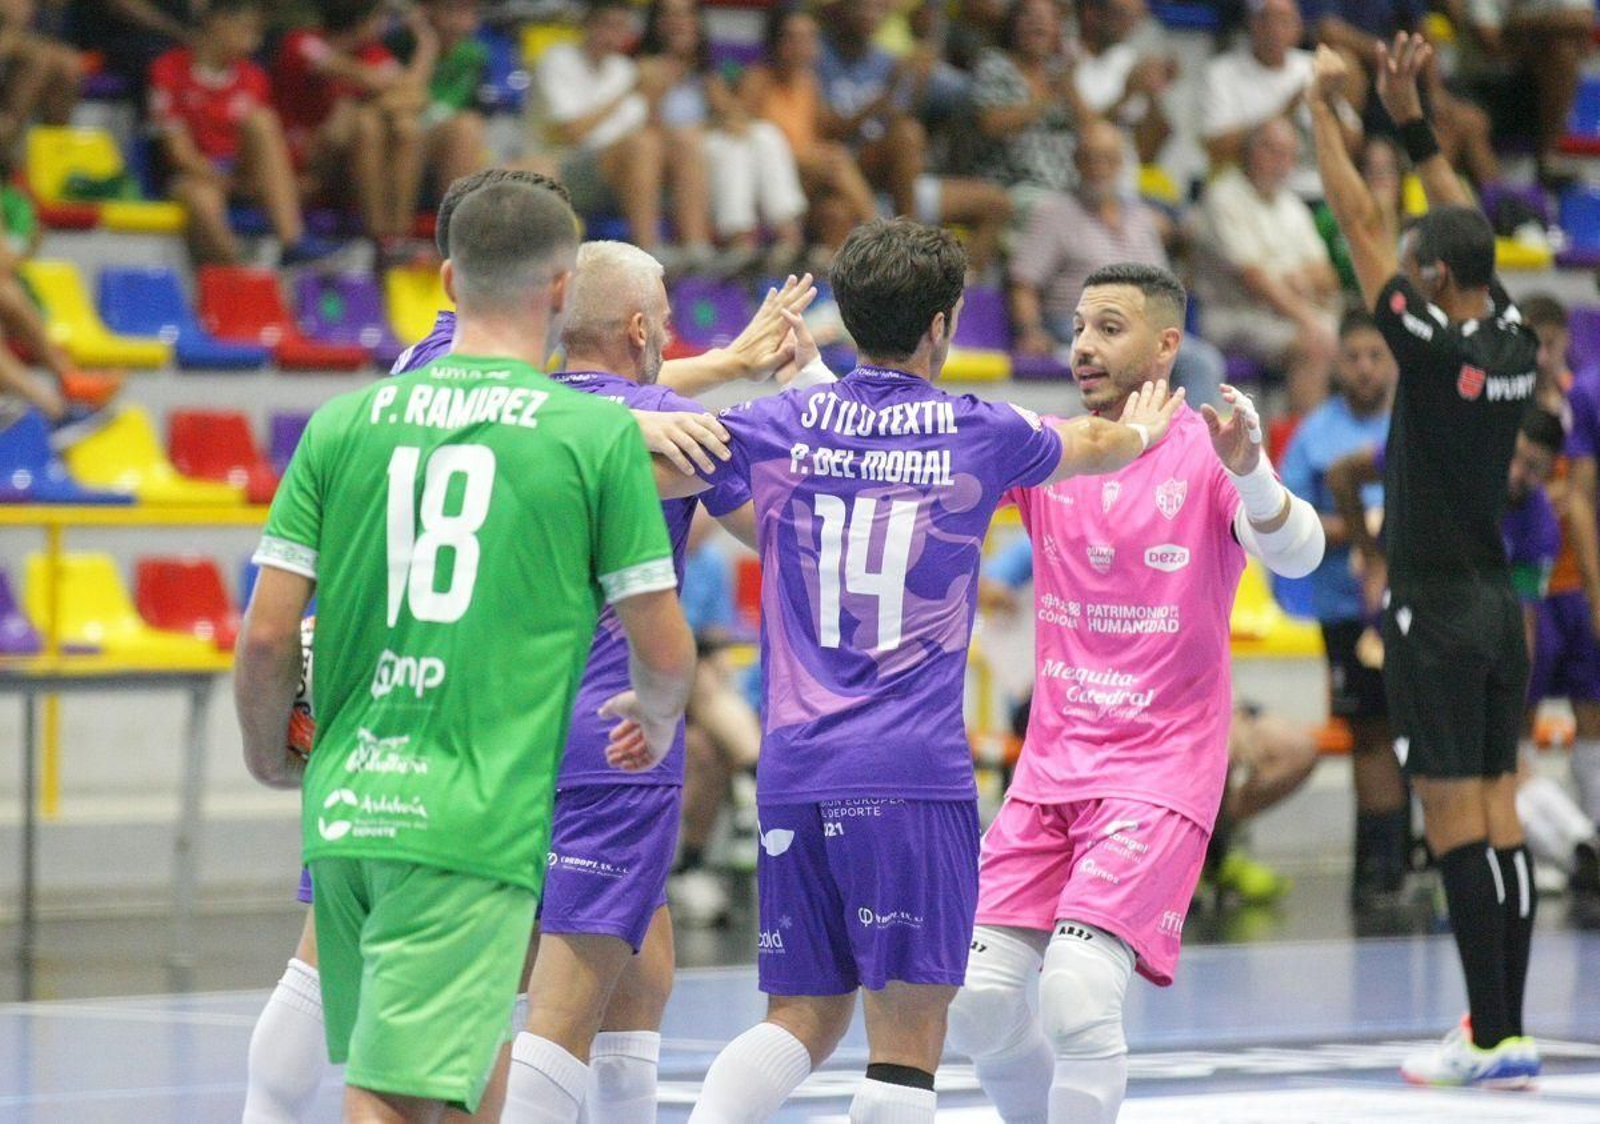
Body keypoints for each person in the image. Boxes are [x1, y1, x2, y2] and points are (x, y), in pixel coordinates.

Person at [670, 219, 1186, 1123]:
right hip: (909, 778)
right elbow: (1095, 446)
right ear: (943, 327)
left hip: (792, 771)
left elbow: (659, 443)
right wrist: (1142, 435)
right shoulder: (978, 428)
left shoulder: (776, 423)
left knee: (799, 1017)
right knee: (906, 1051)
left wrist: (742, 372)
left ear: (848, 316)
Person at [235, 178, 697, 1120]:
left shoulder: (347, 419)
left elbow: (269, 633)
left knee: (431, 1057)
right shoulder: (587, 437)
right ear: (563, 293)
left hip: (353, 783)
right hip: (469, 805)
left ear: (447, 277)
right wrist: (653, 718)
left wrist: (265, 753)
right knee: (398, 1094)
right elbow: (668, 648)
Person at [945, 262, 1325, 1124]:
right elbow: (928, 457)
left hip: (1157, 775)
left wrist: (1257, 475)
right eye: (1078, 325)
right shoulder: (1054, 447)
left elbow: (1300, 554)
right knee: (975, 999)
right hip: (1049, 774)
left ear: (1165, 345)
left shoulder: (1209, 449)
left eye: (1109, 327)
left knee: (1078, 994)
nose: (1084, 345)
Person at [1310, 34, 1542, 1086]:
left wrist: (1327, 111)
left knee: (1455, 818)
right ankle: (1506, 1026)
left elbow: (1360, 224)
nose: (1399, 266)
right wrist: (1406, 115)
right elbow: (1465, 227)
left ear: (1429, 278)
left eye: (1416, 264)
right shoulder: (1510, 338)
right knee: (1498, 810)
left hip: (1435, 611)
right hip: (1498, 604)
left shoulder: (1434, 346)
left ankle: (1490, 1038)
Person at [497, 241, 754, 1122]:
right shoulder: (673, 430)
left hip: (505, 731)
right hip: (618, 738)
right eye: (668, 320)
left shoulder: (508, 412)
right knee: (560, 1014)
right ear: (640, 328)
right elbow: (777, 525)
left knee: (643, 976)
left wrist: (726, 365)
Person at [1280, 309, 1403, 908]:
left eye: (1375, 355)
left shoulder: (1414, 426)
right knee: (1372, 733)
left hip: (1418, 602)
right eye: (1353, 355)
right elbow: (1282, 521)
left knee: (1419, 734)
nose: (1364, 367)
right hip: (1346, 609)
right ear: (1337, 363)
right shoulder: (1315, 434)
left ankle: (1416, 860)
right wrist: (1359, 530)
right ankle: (1378, 876)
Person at [1009, 116, 1225, 408]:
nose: (1099, 168)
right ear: (1076, 163)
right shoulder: (1053, 214)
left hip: (1141, 326)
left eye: (1108, 159)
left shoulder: (1142, 217)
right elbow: (1024, 283)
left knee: (1201, 359)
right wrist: (1031, 331)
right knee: (1172, 358)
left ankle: (1183, 445)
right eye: (1090, 159)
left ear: (1121, 163)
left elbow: (1161, 286)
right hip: (1079, 324)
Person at [815, 0, 1012, 274]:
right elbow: (828, 130)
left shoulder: (888, 60)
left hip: (896, 182)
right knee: (838, 211)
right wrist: (887, 93)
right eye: (862, 6)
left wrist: (917, 84)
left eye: (876, 7)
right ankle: (911, 245)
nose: (870, 14)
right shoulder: (818, 55)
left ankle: (957, 285)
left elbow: (905, 119)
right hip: (847, 173)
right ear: (842, 9)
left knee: (997, 203)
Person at [149, 0, 342, 266]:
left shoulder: (254, 77)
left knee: (262, 122)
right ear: (218, 23)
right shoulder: (169, 69)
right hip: (197, 173)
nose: (256, 42)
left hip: (242, 171)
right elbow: (178, 153)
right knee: (201, 199)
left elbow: (268, 151)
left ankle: (292, 241)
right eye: (248, 30)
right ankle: (240, 278)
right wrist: (224, 182)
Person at [532, 0, 711, 261]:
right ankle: (650, 253)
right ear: (587, 24)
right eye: (607, 25)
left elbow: (650, 130)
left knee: (684, 140)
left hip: (620, 171)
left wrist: (656, 93)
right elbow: (573, 133)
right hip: (564, 166)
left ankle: (698, 250)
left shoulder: (624, 68)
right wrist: (629, 89)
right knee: (642, 145)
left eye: (621, 28)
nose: (612, 36)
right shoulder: (559, 60)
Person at [638, 0, 806, 273]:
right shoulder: (645, 69)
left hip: (704, 150)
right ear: (656, 24)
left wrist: (723, 107)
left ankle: (790, 240)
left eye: (687, 16)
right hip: (671, 161)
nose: (680, 23)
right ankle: (739, 243)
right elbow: (642, 131)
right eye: (671, 16)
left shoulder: (705, 74)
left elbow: (737, 117)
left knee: (764, 133)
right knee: (729, 149)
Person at [1193, 115, 1342, 415]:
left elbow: (1327, 277)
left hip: (1287, 316)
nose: (1281, 161)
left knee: (1365, 343)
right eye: (1271, 150)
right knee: (1315, 344)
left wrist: (1295, 279)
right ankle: (1303, 451)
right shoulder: (1223, 197)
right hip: (1234, 315)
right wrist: (1305, 315)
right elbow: (1254, 280)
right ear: (1248, 152)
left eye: (1288, 154)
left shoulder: (1292, 206)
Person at [271, 0, 434, 251]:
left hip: (350, 160)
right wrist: (391, 94)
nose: (384, 25)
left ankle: (397, 239)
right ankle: (379, 237)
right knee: (364, 120)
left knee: (404, 128)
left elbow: (418, 96)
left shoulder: (372, 52)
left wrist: (426, 44)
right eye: (379, 17)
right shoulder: (303, 42)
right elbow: (364, 76)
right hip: (306, 158)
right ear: (362, 21)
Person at [739, 5, 878, 261]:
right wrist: (803, 157)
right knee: (835, 159)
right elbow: (746, 141)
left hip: (808, 182)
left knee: (838, 211)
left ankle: (835, 278)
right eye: (792, 37)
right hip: (772, 180)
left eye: (808, 37)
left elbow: (828, 131)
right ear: (776, 40)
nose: (801, 45)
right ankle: (886, 236)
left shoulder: (810, 82)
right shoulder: (757, 80)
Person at [1200, 0, 1362, 200]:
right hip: (1253, 194)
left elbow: (1354, 145)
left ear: (1299, 27)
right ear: (1251, 23)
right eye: (1265, 19)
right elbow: (1215, 148)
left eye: (1284, 20)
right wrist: (1287, 110)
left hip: (1318, 193)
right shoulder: (1221, 73)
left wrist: (1330, 102)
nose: (1274, 29)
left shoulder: (1312, 66)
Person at [969, 0, 1087, 196]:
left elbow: (1092, 130)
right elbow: (991, 124)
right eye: (1028, 15)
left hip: (1069, 188)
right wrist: (1048, 97)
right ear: (1012, 25)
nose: (1037, 22)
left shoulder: (1059, 75)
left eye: (1047, 17)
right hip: (1011, 186)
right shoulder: (994, 64)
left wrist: (1071, 90)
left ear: (1058, 31)